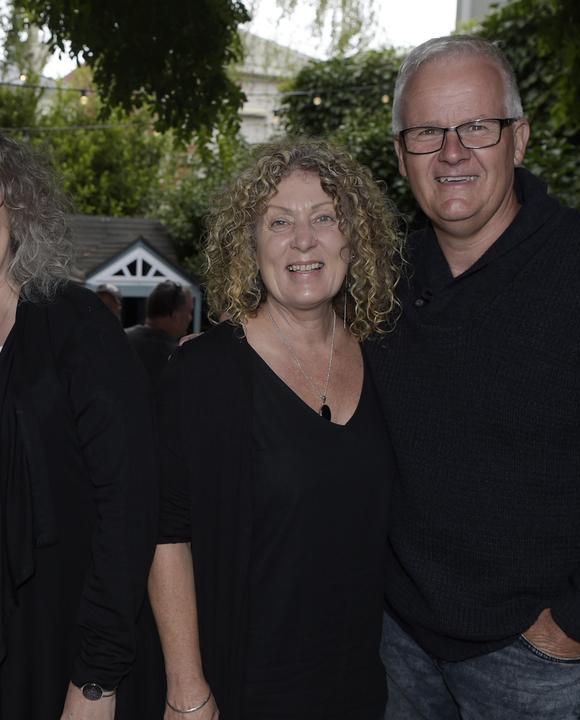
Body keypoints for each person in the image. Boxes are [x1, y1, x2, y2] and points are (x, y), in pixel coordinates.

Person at [367, 35, 580, 719]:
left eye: (477, 126)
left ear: (519, 139)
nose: (451, 152)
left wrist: (579, 621)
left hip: (536, 661)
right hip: (399, 647)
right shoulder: (385, 282)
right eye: (427, 132)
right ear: (399, 153)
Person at [0, 116, 158, 720]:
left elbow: (131, 511)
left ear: (17, 202)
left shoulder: (78, 330)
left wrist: (96, 678)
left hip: (65, 667)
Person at [149, 139, 403, 720]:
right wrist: (188, 689)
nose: (304, 239)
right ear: (252, 245)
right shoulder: (204, 373)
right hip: (243, 689)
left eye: (324, 218)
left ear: (353, 237)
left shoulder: (385, 359)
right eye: (279, 222)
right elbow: (166, 533)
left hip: (360, 688)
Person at [124, 281, 193, 389]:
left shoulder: (120, 340)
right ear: (175, 315)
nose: (190, 318)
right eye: (188, 312)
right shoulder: (176, 357)